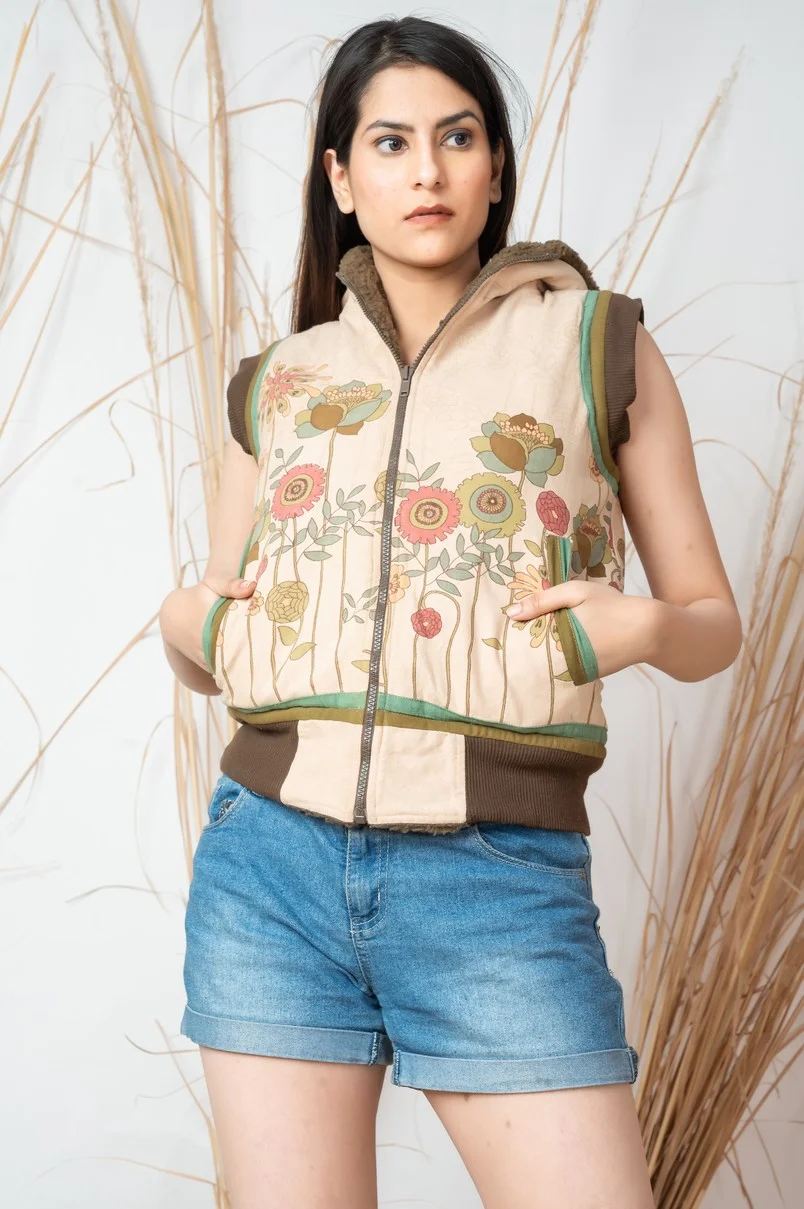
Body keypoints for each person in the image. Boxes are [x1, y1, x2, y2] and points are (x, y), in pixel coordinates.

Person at [158, 15, 742, 1209]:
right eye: (390, 142)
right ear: (341, 177)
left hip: (498, 876)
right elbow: (221, 617)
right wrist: (186, 631)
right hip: (269, 874)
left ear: (495, 165)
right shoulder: (280, 380)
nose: (425, 170)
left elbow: (712, 622)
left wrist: (636, 628)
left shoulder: (598, 343)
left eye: (457, 137)